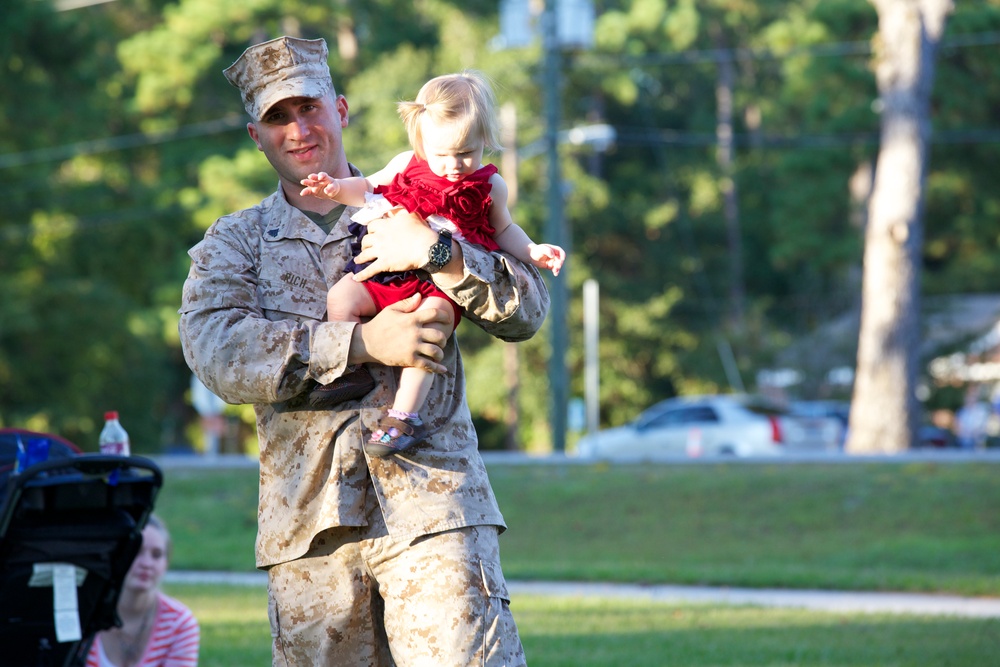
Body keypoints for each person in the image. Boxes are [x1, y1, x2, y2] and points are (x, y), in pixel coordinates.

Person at [179, 36, 549, 666]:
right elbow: (216, 349)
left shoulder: (420, 192)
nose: (298, 129)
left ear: (342, 110)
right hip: (312, 531)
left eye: (310, 107)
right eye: (277, 117)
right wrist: (357, 342)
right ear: (255, 135)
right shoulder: (236, 243)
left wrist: (438, 253)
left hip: (435, 507)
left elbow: (528, 312)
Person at [299, 69, 565, 457]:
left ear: (484, 142)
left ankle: (403, 416)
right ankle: (347, 373)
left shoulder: (490, 186)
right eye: (442, 154)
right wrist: (335, 188)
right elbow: (368, 189)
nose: (455, 165)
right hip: (386, 273)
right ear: (421, 141)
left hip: (435, 285)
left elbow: (504, 228)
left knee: (433, 329)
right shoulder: (406, 164)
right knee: (341, 297)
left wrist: (533, 251)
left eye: (467, 152)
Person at [86, 515, 200, 667]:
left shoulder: (179, 623)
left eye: (156, 555)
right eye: (137, 551)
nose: (147, 563)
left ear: (165, 564)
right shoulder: (85, 616)